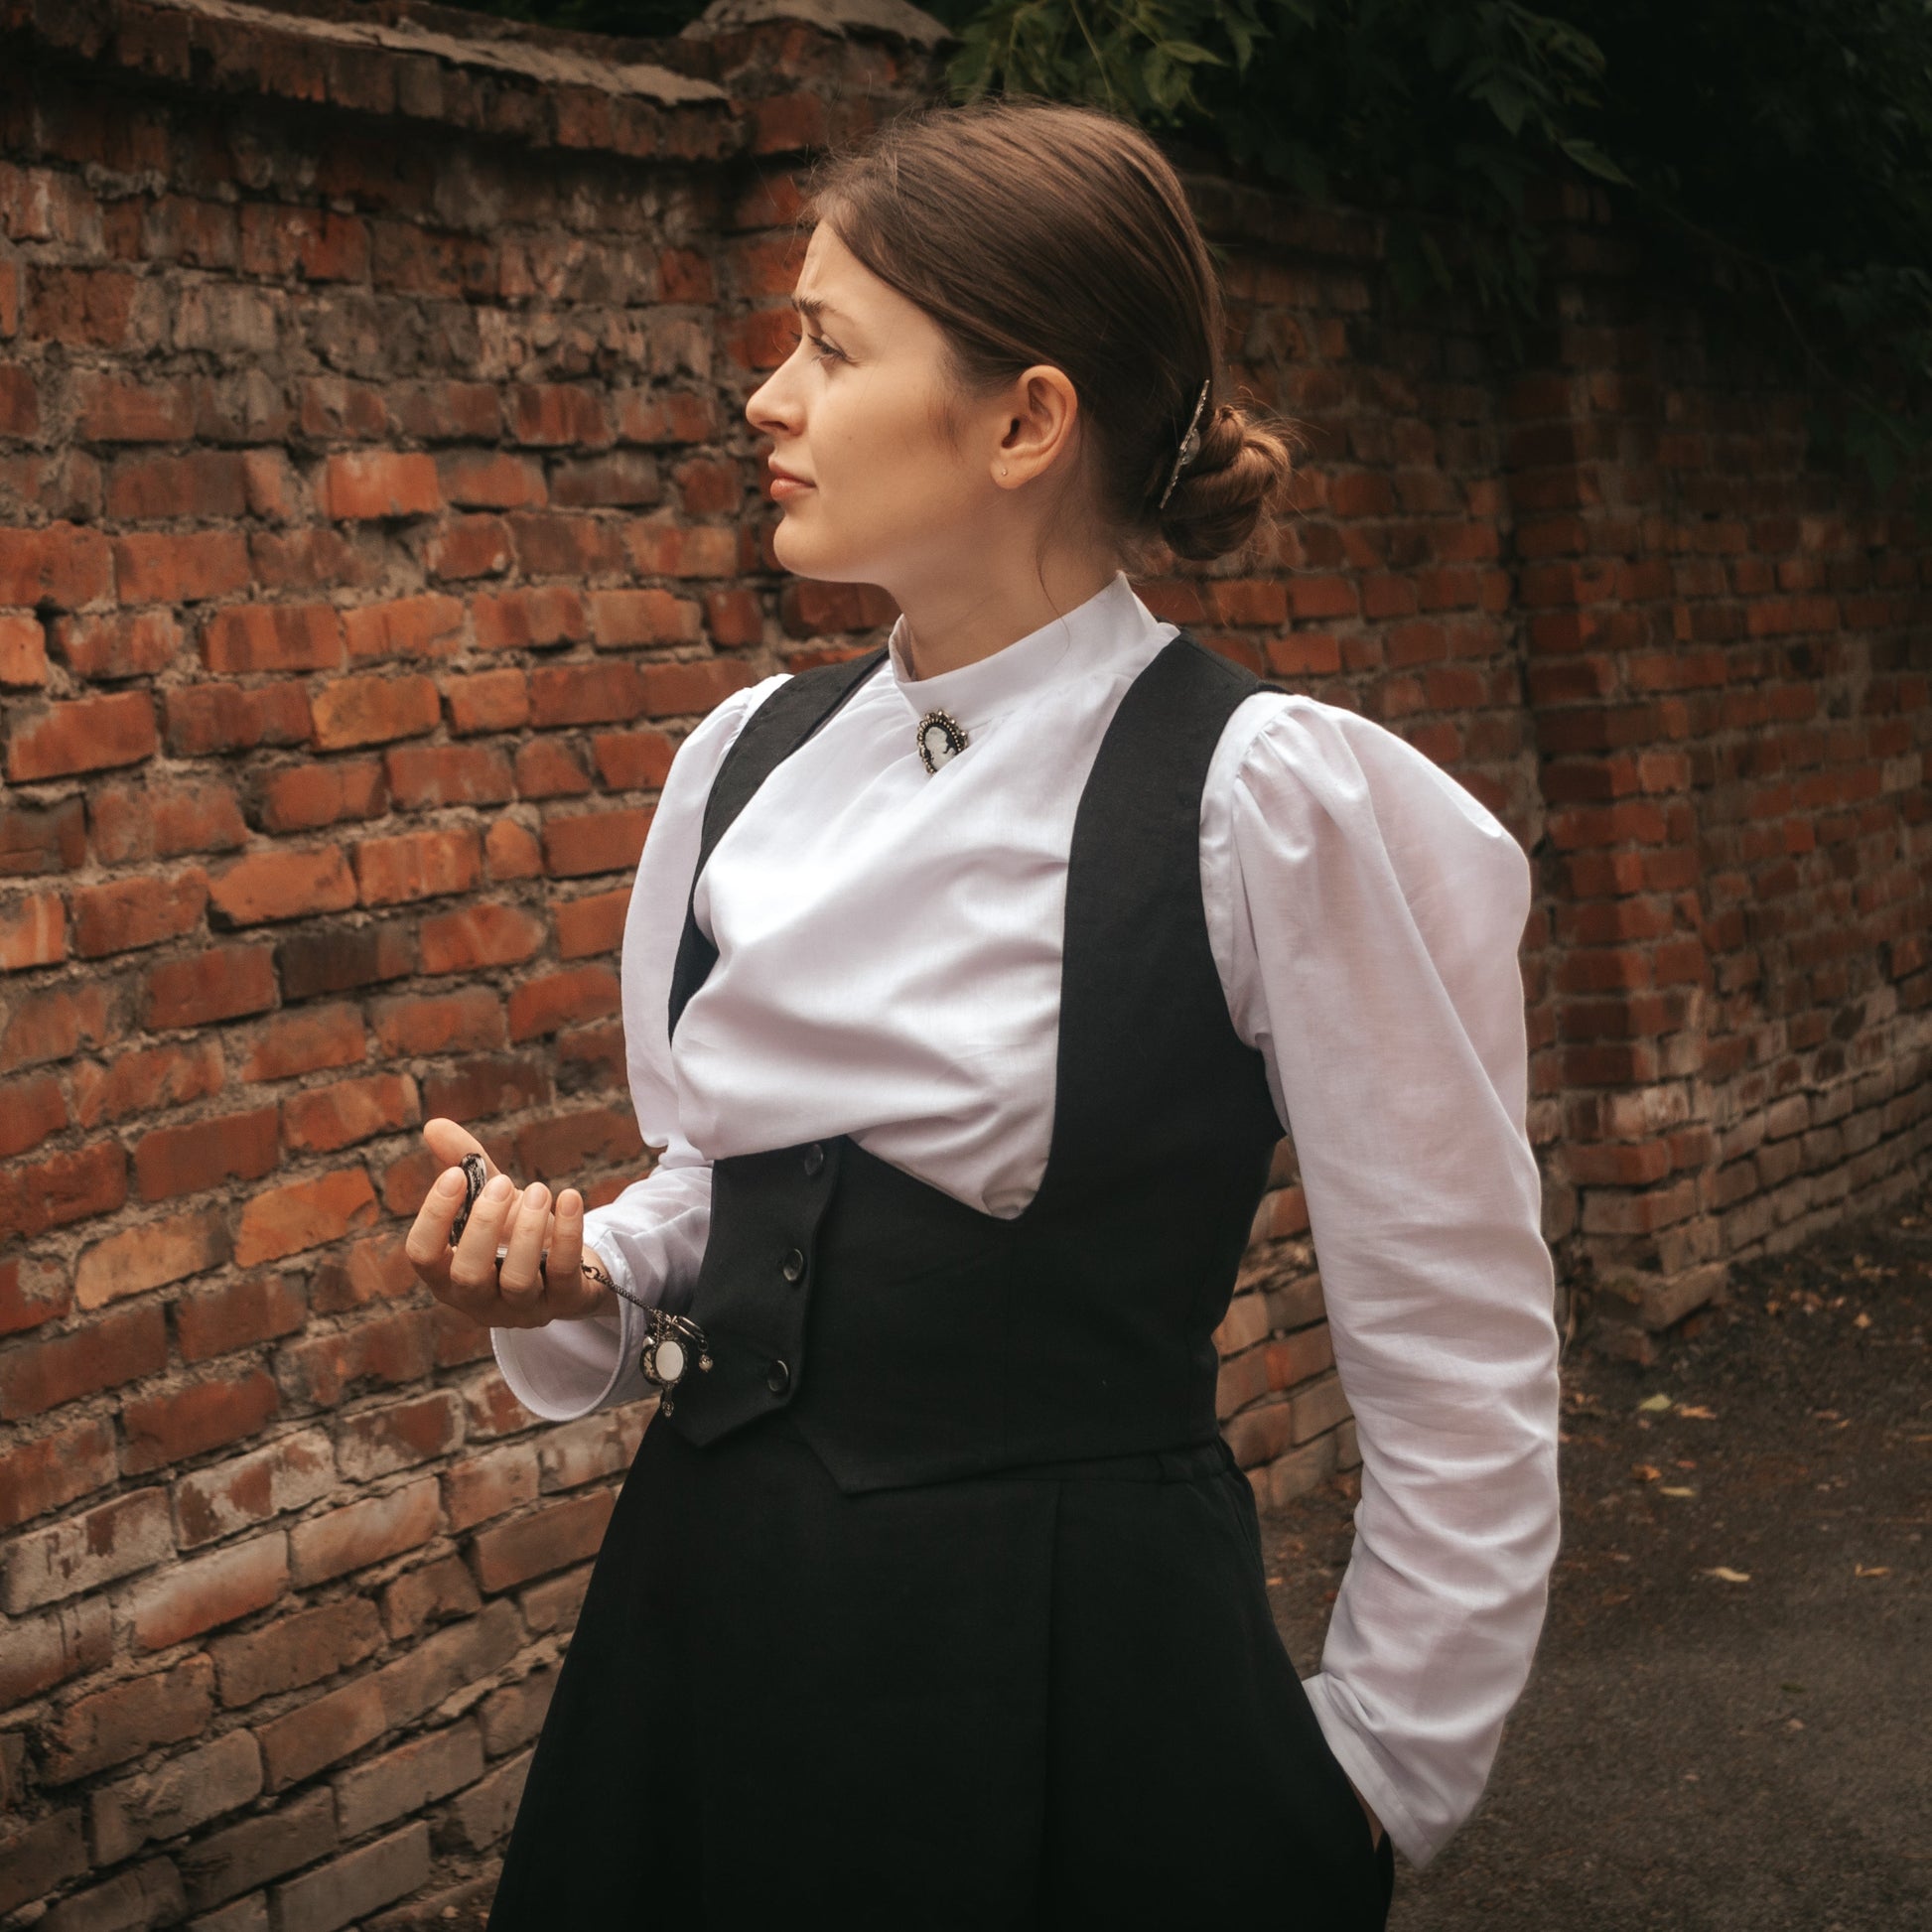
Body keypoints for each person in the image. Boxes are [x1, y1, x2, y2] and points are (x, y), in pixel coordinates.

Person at [407, 98, 1561, 1930]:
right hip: (709, 1630)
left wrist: (1376, 1774)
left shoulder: (1259, 797)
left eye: (829, 344)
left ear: (1025, 420)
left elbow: (1456, 1340)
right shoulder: (745, 762)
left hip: (1072, 1683)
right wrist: (582, 1279)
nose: (766, 393)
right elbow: (732, 1201)